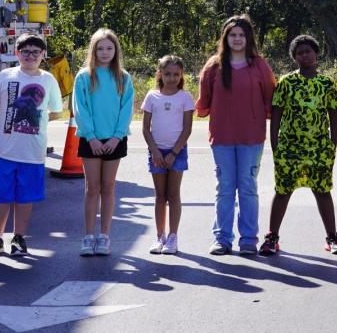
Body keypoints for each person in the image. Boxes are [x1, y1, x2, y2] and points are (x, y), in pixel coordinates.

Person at [197, 15, 276, 256]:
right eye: (233, 35)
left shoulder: (259, 65)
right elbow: (204, 102)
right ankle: (222, 238)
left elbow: (271, 99)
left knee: (248, 188)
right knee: (225, 188)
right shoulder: (213, 66)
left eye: (242, 35)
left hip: (251, 138)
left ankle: (249, 239)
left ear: (248, 38)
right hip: (221, 138)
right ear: (225, 38)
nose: (238, 39)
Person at [0, 33, 63, 258]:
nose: (30, 56)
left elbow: (55, 112)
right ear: (17, 53)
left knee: (25, 198)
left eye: (36, 52)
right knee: (0, 196)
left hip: (33, 152)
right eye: (25, 52)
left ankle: (19, 238)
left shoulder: (48, 80)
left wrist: (34, 120)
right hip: (4, 150)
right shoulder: (6, 76)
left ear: (43, 55)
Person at [261, 35, 337, 256]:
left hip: (319, 148)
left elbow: (334, 114)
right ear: (294, 57)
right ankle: (272, 237)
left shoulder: (326, 83)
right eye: (299, 52)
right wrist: (275, 146)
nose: (304, 55)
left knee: (322, 191)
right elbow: (277, 114)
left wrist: (332, 145)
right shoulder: (286, 82)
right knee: (282, 191)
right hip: (290, 148)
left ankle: (332, 237)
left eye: (308, 51)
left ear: (316, 54)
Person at [73, 28, 135, 257]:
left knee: (108, 187)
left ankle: (104, 236)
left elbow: (126, 108)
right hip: (91, 141)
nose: (105, 52)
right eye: (100, 48)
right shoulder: (84, 76)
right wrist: (91, 137)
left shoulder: (123, 77)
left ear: (116, 50)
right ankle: (88, 236)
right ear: (94, 50)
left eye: (109, 48)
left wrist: (117, 136)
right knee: (92, 188)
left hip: (114, 140)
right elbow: (80, 109)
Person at [142, 54, 194, 255]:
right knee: (160, 196)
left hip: (177, 152)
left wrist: (174, 152)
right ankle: (159, 236)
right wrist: (155, 151)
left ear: (181, 75)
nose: (171, 78)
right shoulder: (152, 97)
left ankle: (173, 237)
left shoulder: (185, 98)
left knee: (173, 195)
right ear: (160, 74)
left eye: (176, 74)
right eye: (167, 74)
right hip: (156, 152)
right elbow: (146, 128)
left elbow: (187, 129)